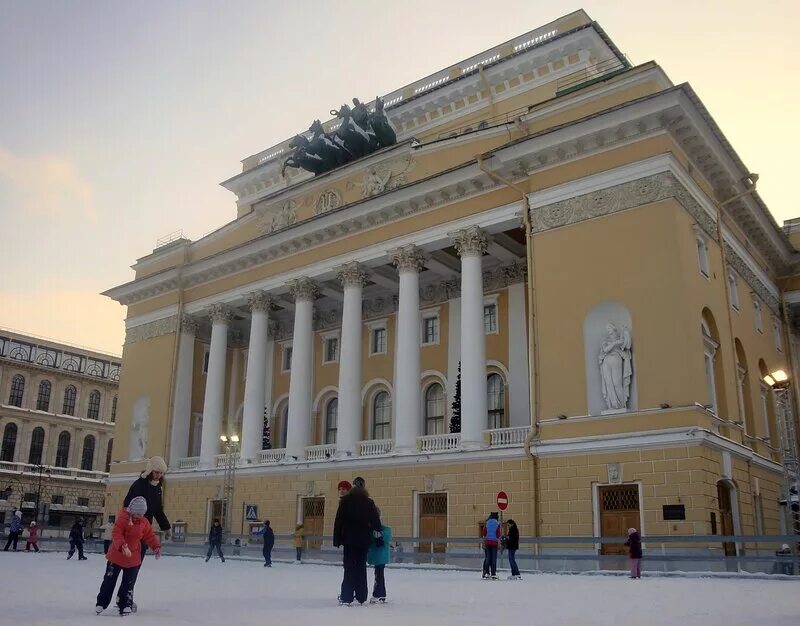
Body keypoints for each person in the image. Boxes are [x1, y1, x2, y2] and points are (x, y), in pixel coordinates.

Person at [95, 496, 161, 616]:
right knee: (109, 580)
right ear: (131, 511)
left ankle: (125, 604)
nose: (139, 516)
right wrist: (122, 546)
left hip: (133, 557)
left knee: (128, 583)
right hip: (117, 555)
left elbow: (149, 536)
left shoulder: (144, 522)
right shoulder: (123, 519)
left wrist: (156, 547)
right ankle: (101, 603)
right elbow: (117, 533)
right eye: (136, 514)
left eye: (141, 514)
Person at [122, 456, 171, 610]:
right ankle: (123, 598)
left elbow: (157, 510)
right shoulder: (139, 485)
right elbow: (126, 506)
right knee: (127, 565)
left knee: (136, 565)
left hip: (144, 531)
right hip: (131, 530)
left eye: (161, 473)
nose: (159, 476)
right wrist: (128, 525)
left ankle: (126, 596)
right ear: (150, 470)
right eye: (156, 472)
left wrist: (166, 527)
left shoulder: (157, 488)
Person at [333, 476, 382, 605]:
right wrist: (377, 535)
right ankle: (361, 596)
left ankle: (346, 597)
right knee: (361, 567)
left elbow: (339, 522)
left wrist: (337, 539)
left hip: (349, 540)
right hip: (363, 541)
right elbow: (376, 522)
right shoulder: (369, 502)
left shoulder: (345, 501)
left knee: (349, 567)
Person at [366, 509, 392, 604]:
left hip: (379, 555)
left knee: (379, 575)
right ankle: (381, 594)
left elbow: (384, 537)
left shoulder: (378, 529)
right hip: (381, 555)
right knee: (379, 574)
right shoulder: (383, 528)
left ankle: (378, 594)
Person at [482, 512, 501, 579]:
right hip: (494, 543)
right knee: (493, 558)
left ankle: (486, 573)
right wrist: (499, 543)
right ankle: (493, 573)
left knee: (487, 558)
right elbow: (498, 534)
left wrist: (484, 542)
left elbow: (484, 533)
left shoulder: (487, 523)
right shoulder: (497, 523)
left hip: (487, 542)